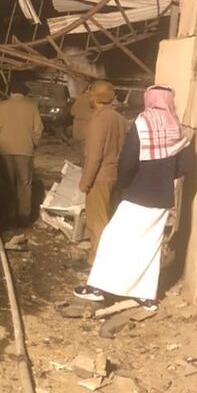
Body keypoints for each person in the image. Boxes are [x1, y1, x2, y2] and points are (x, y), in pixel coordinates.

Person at [75, 85, 193, 310]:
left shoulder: (143, 123)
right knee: (149, 245)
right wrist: (166, 174)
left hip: (138, 194)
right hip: (163, 198)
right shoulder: (176, 128)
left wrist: (125, 184)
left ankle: (98, 287)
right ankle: (146, 296)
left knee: (111, 236)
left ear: (149, 99)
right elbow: (186, 166)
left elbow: (128, 161)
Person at [78, 80, 128, 262]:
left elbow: (94, 156)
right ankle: (110, 261)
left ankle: (97, 264)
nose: (89, 98)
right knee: (110, 221)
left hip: (99, 178)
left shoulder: (98, 120)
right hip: (116, 176)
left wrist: (86, 181)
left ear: (96, 97)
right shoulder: (120, 120)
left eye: (91, 94)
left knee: (97, 223)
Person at [0, 76, 43, 225]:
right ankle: (24, 216)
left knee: (7, 183)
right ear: (24, 93)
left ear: (11, 92)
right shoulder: (32, 106)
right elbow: (38, 129)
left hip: (4, 150)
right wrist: (33, 143)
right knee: (24, 185)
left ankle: (8, 214)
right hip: (25, 151)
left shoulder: (1, 106)